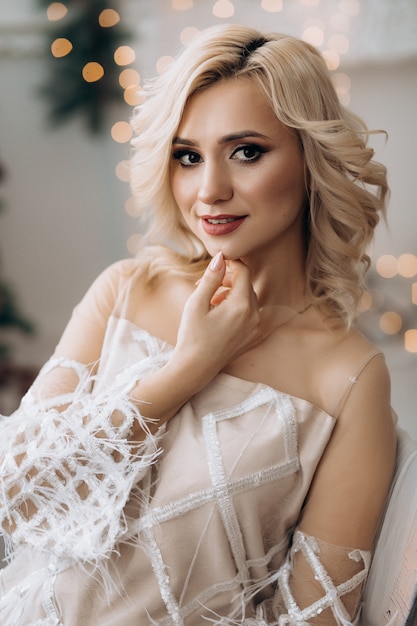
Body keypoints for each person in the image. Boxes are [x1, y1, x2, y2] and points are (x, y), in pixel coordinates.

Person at [0, 23, 397, 626]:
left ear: (311, 159)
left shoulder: (348, 378)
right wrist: (184, 371)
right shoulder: (126, 291)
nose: (209, 189)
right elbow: (15, 493)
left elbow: (314, 618)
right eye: (188, 156)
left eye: (246, 152)